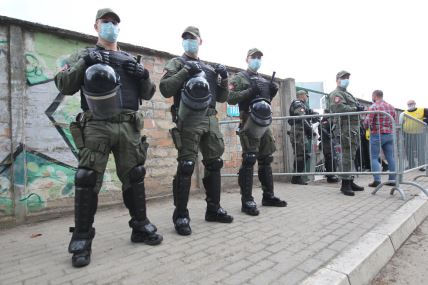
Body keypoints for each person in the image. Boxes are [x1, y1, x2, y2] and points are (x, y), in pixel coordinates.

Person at [55, 8, 163, 267]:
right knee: (87, 177)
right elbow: (64, 84)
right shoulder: (84, 55)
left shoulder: (129, 59)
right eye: (106, 22)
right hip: (97, 125)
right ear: (96, 26)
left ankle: (140, 226)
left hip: (128, 125)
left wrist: (144, 75)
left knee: (135, 176)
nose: (111, 26)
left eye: (115, 22)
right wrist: (84, 63)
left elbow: (148, 93)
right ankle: (82, 238)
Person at [159, 26, 233, 236]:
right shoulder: (177, 63)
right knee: (186, 164)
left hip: (210, 118)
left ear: (201, 41)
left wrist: (224, 78)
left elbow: (222, 97)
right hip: (189, 118)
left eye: (193, 38)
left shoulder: (208, 69)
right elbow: (165, 89)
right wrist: (184, 71)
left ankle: (214, 209)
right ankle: (181, 215)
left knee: (214, 163)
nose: (189, 41)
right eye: (186, 38)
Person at [227, 48, 287, 216]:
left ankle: (268, 196)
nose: (257, 60)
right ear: (247, 59)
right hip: (248, 119)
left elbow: (264, 102)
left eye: (259, 57)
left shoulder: (262, 80)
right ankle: (246, 200)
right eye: (254, 57)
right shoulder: (240, 78)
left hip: (263, 120)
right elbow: (230, 98)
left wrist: (272, 93)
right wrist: (249, 91)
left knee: (266, 158)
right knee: (249, 158)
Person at [328, 70, 365, 196]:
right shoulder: (336, 94)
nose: (346, 79)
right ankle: (345, 184)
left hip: (352, 128)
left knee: (351, 156)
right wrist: (356, 108)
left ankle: (350, 180)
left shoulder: (347, 94)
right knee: (346, 156)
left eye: (347, 77)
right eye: (343, 77)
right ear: (337, 79)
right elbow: (339, 108)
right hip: (345, 128)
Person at [363, 90, 397, 187]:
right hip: (389, 135)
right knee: (390, 157)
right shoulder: (391, 107)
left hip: (377, 134)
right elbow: (395, 121)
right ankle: (392, 180)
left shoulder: (373, 107)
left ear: (375, 96)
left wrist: (365, 126)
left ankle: (377, 180)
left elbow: (367, 122)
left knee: (374, 157)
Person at [288, 90, 316, 185]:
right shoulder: (297, 103)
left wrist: (314, 114)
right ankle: (296, 178)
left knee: (302, 154)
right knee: (301, 155)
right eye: (306, 96)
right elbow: (301, 117)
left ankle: (296, 177)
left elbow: (307, 113)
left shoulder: (302, 105)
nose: (307, 98)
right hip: (298, 131)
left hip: (300, 131)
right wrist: (310, 130)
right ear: (302, 96)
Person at [401, 100, 428, 170]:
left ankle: (421, 166)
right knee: (408, 150)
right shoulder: (404, 113)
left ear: (415, 104)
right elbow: (401, 123)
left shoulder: (422, 110)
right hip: (407, 134)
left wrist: (425, 123)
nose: (410, 105)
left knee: (420, 150)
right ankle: (411, 164)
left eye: (411, 104)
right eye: (409, 104)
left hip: (419, 134)